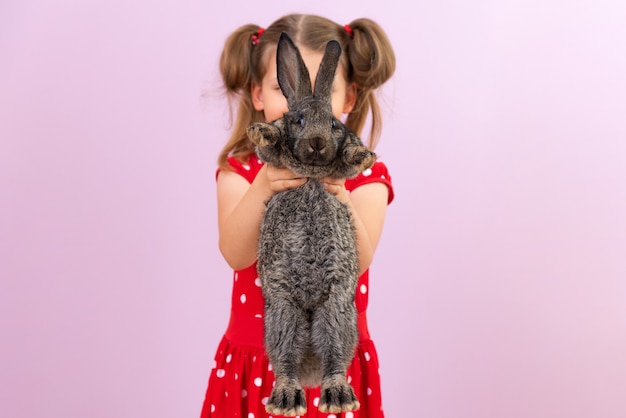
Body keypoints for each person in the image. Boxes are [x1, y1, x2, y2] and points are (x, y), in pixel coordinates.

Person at [200, 13, 396, 418]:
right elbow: (236, 254)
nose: (301, 109)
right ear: (258, 95)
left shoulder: (364, 177)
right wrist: (263, 187)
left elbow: (361, 258)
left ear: (347, 98)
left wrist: (340, 193)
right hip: (259, 363)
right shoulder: (241, 171)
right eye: (280, 88)